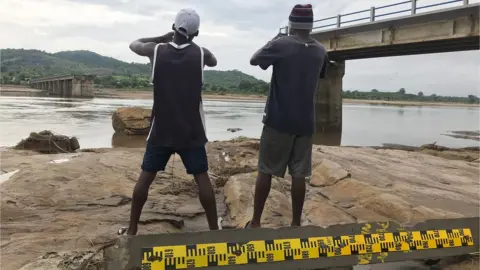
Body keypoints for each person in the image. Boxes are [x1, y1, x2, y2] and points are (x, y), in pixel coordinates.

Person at [119, 8, 219, 235]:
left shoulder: (157, 51)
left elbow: (134, 44)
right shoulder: (201, 54)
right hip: (191, 131)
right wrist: (195, 44)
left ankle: (132, 230)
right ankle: (215, 231)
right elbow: (213, 60)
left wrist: (161, 38)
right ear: (196, 33)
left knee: (145, 178)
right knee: (202, 178)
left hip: (161, 130)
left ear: (173, 28)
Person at [245, 4, 329, 228]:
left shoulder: (281, 44)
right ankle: (295, 224)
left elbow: (255, 60)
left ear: (291, 24)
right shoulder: (321, 50)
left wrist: (273, 40)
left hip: (278, 120)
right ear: (311, 26)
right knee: (299, 174)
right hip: (305, 123)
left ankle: (255, 222)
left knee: (265, 170)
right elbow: (320, 75)